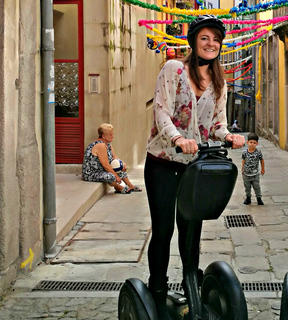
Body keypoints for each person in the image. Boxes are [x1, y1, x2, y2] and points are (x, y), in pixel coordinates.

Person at [143, 15, 245, 317]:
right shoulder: (174, 69)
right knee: (163, 230)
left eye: (216, 39)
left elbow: (216, 124)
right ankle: (157, 294)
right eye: (205, 38)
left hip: (194, 166)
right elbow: (161, 110)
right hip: (163, 162)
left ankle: (192, 291)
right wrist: (176, 138)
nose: (211, 43)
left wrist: (228, 135)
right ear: (194, 41)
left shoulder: (219, 82)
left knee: (192, 231)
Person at [82, 123, 142, 194]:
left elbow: (114, 158)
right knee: (112, 177)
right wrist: (116, 176)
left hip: (102, 170)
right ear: (103, 136)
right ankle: (118, 187)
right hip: (92, 173)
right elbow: (106, 165)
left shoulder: (108, 144)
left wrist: (122, 164)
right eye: (110, 135)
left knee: (120, 169)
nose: (113, 136)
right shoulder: (100, 145)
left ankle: (130, 185)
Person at [241, 132, 265, 205]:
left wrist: (262, 169)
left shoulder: (258, 152)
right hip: (246, 174)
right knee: (247, 187)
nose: (252, 144)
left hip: (255, 174)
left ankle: (259, 198)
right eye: (251, 142)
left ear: (257, 144)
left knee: (257, 186)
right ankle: (248, 198)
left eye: (254, 143)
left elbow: (262, 160)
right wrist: (242, 168)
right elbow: (243, 160)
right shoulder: (245, 152)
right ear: (247, 142)